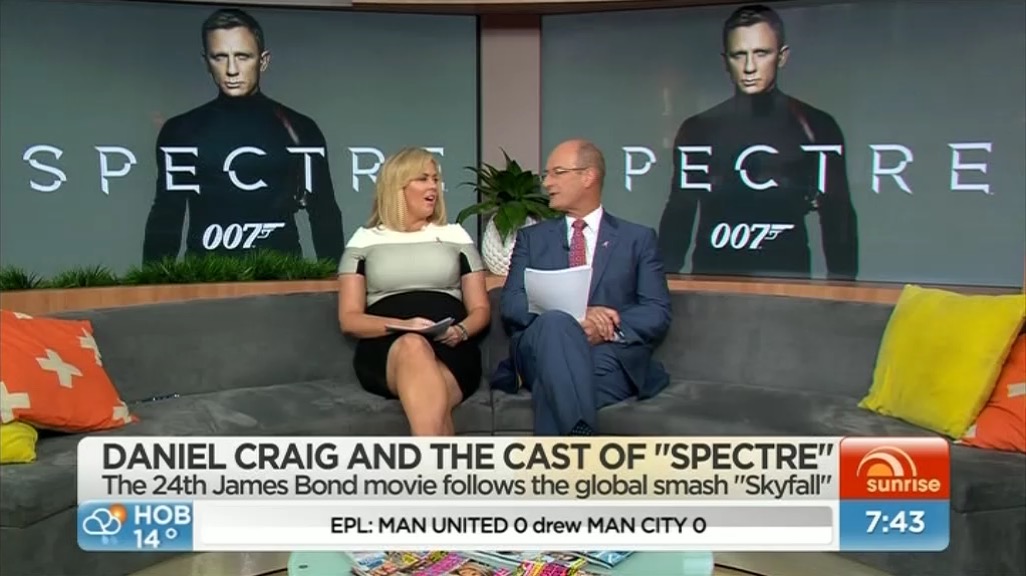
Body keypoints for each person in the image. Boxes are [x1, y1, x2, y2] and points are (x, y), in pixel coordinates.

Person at [656, 4, 859, 280]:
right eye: (739, 55)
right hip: (711, 282)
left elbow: (838, 216)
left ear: (782, 57)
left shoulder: (816, 126)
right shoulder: (698, 130)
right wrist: (662, 284)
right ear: (726, 61)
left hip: (787, 283)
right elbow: (679, 214)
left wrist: (842, 289)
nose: (749, 67)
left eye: (761, 53)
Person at [496, 139, 672, 436]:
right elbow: (512, 303)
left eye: (557, 173)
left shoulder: (637, 239)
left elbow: (656, 311)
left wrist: (608, 326)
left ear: (588, 176)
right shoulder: (532, 239)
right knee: (555, 323)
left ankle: (573, 445)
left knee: (556, 383)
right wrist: (577, 316)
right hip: (540, 347)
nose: (547, 183)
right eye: (546, 175)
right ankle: (582, 447)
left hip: (607, 354)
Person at [142, 7, 345, 265]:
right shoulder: (181, 130)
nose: (232, 69)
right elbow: (167, 216)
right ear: (207, 62)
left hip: (283, 277)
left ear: (263, 61)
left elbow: (324, 212)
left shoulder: (299, 128)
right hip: (205, 276)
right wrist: (153, 283)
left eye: (242, 56)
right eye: (220, 57)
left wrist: (336, 280)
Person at [337, 147, 489, 436]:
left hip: (451, 349)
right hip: (386, 349)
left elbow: (481, 310)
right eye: (423, 178)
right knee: (413, 345)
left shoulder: (455, 235)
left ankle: (431, 464)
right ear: (398, 185)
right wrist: (404, 326)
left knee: (429, 401)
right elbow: (350, 319)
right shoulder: (364, 240)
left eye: (435, 179)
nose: (433, 186)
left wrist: (461, 331)